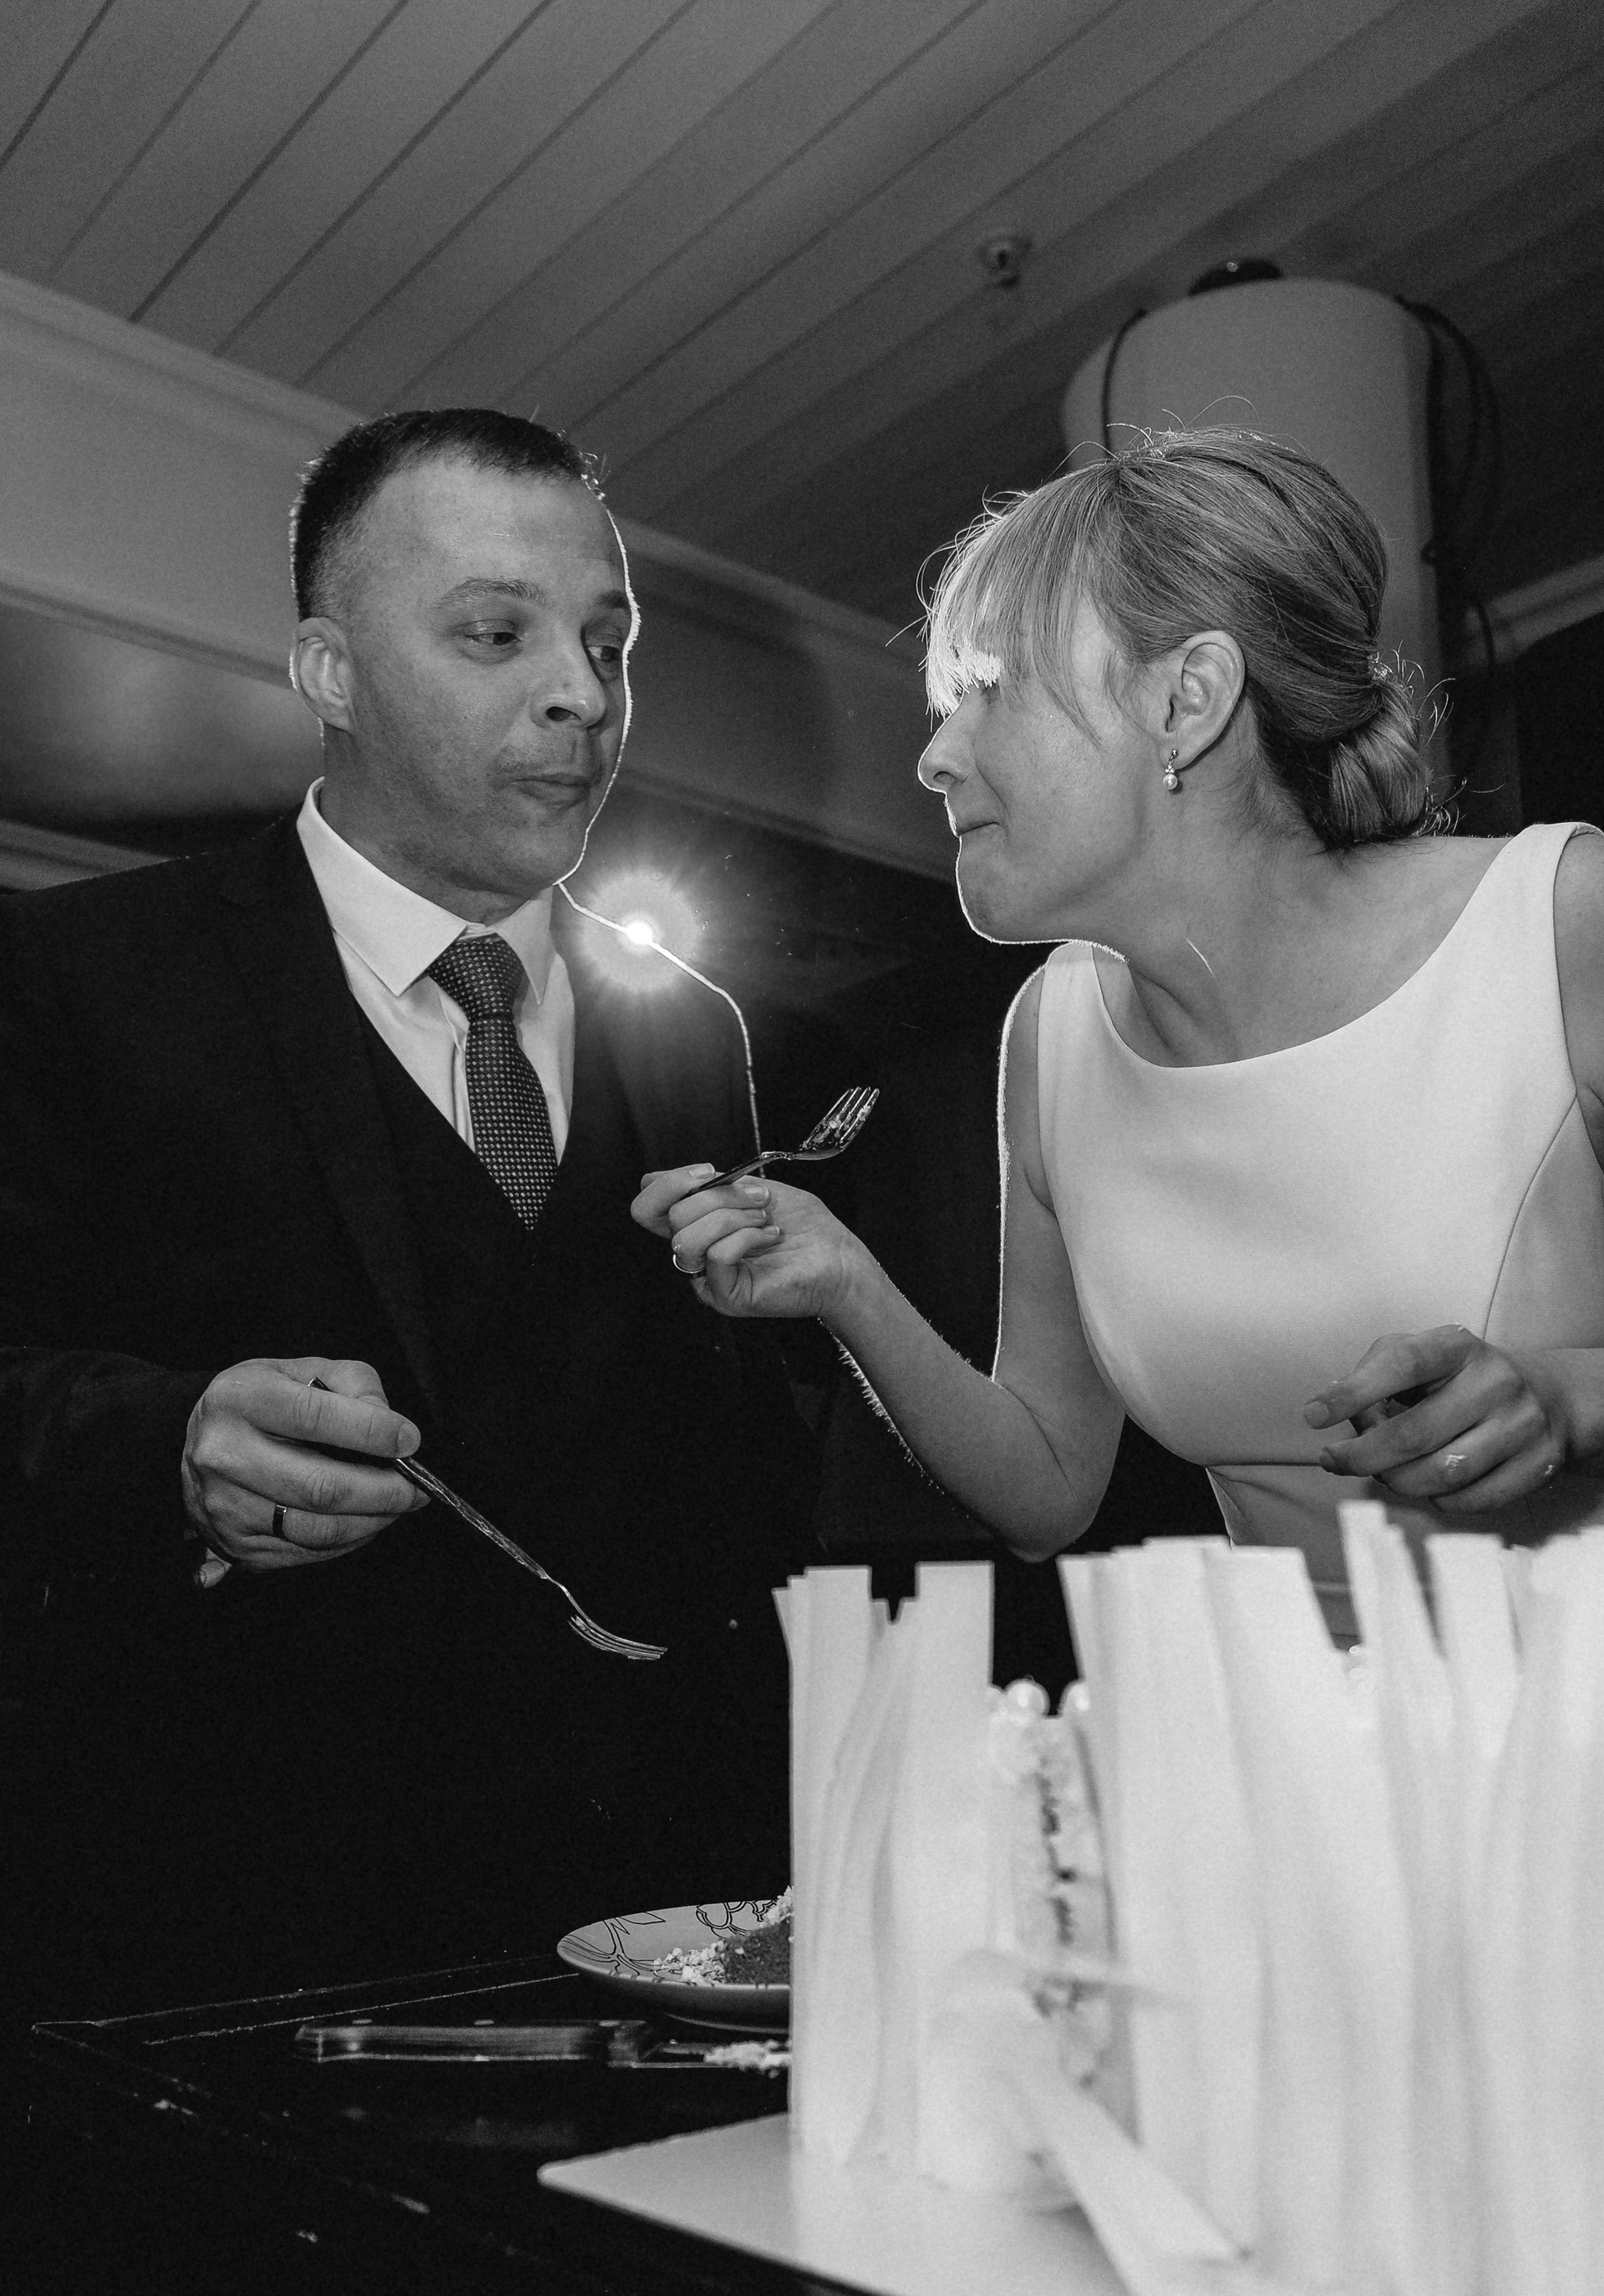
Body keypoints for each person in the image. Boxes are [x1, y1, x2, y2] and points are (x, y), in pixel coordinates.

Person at [0, 409, 812, 2016]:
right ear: (332, 672)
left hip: (658, 1927)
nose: (584, 695)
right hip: (226, 1934)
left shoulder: (695, 1036)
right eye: (497, 634)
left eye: (605, 641)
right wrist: (165, 1443)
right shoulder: (71, 977)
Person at [636, 428, 1604, 1641]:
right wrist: (840, 1280)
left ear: (1185, 702)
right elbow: (1045, 1488)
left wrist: (1569, 1394)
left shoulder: (1558, 923)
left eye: (990, 689)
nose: (934, 758)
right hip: (1303, 1732)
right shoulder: (1055, 1033)